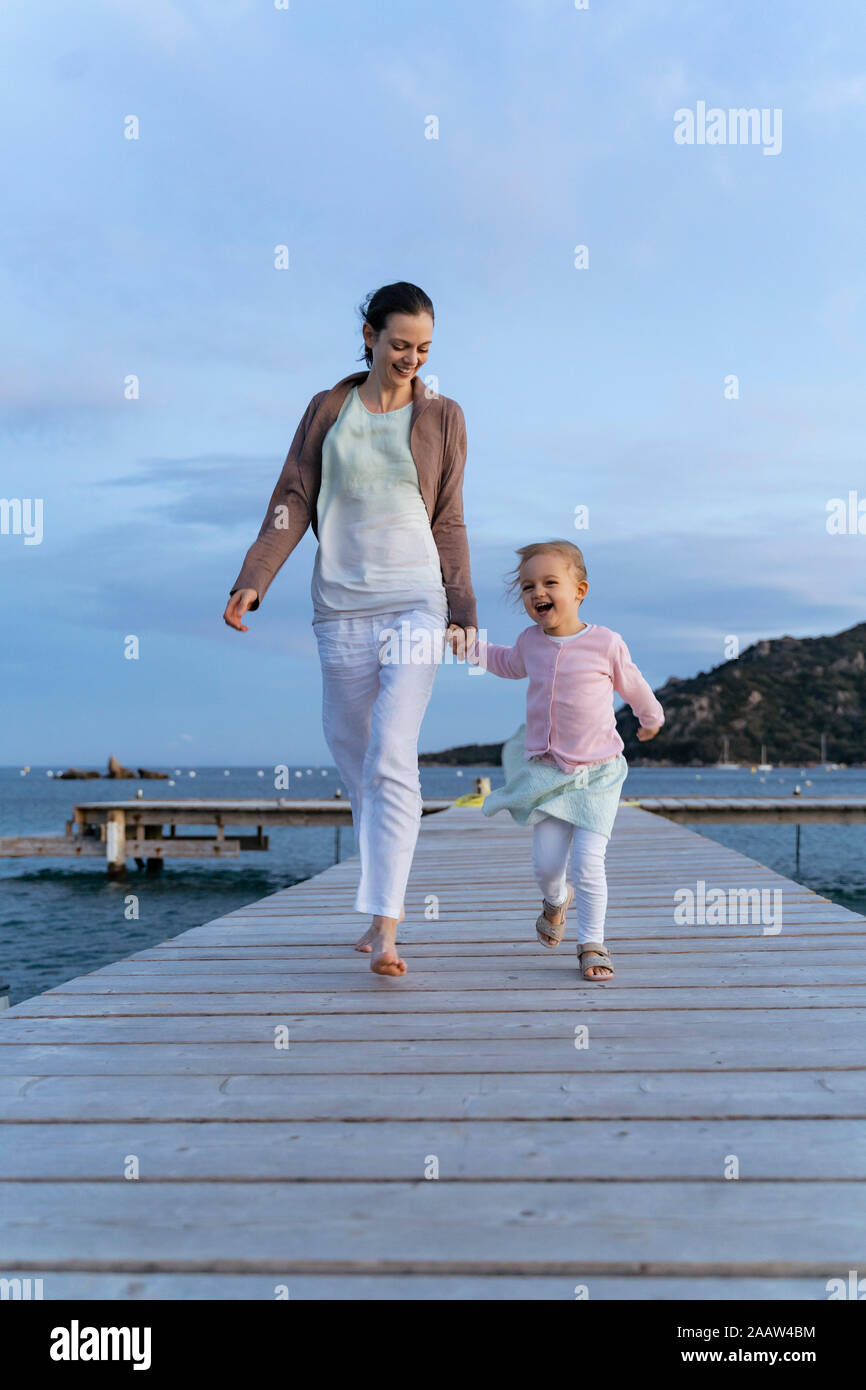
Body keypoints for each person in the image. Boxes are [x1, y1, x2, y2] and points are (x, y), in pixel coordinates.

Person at [223, 282, 477, 976]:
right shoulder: (328, 409)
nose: (411, 359)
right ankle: (377, 914)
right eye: (400, 345)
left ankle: (390, 930)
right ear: (369, 335)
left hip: (416, 602)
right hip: (339, 610)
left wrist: (462, 613)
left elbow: (449, 518)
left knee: (393, 752)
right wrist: (255, 578)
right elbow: (292, 500)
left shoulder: (444, 416)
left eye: (423, 349)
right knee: (357, 762)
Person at [467, 540, 663, 980]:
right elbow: (504, 662)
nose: (538, 592)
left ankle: (591, 942)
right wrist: (469, 647)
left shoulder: (605, 642)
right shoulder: (529, 644)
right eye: (527, 586)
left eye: (550, 582)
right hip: (548, 773)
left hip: (598, 774)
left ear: (580, 590)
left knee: (589, 862)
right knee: (546, 866)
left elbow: (634, 686)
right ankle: (556, 900)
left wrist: (651, 719)